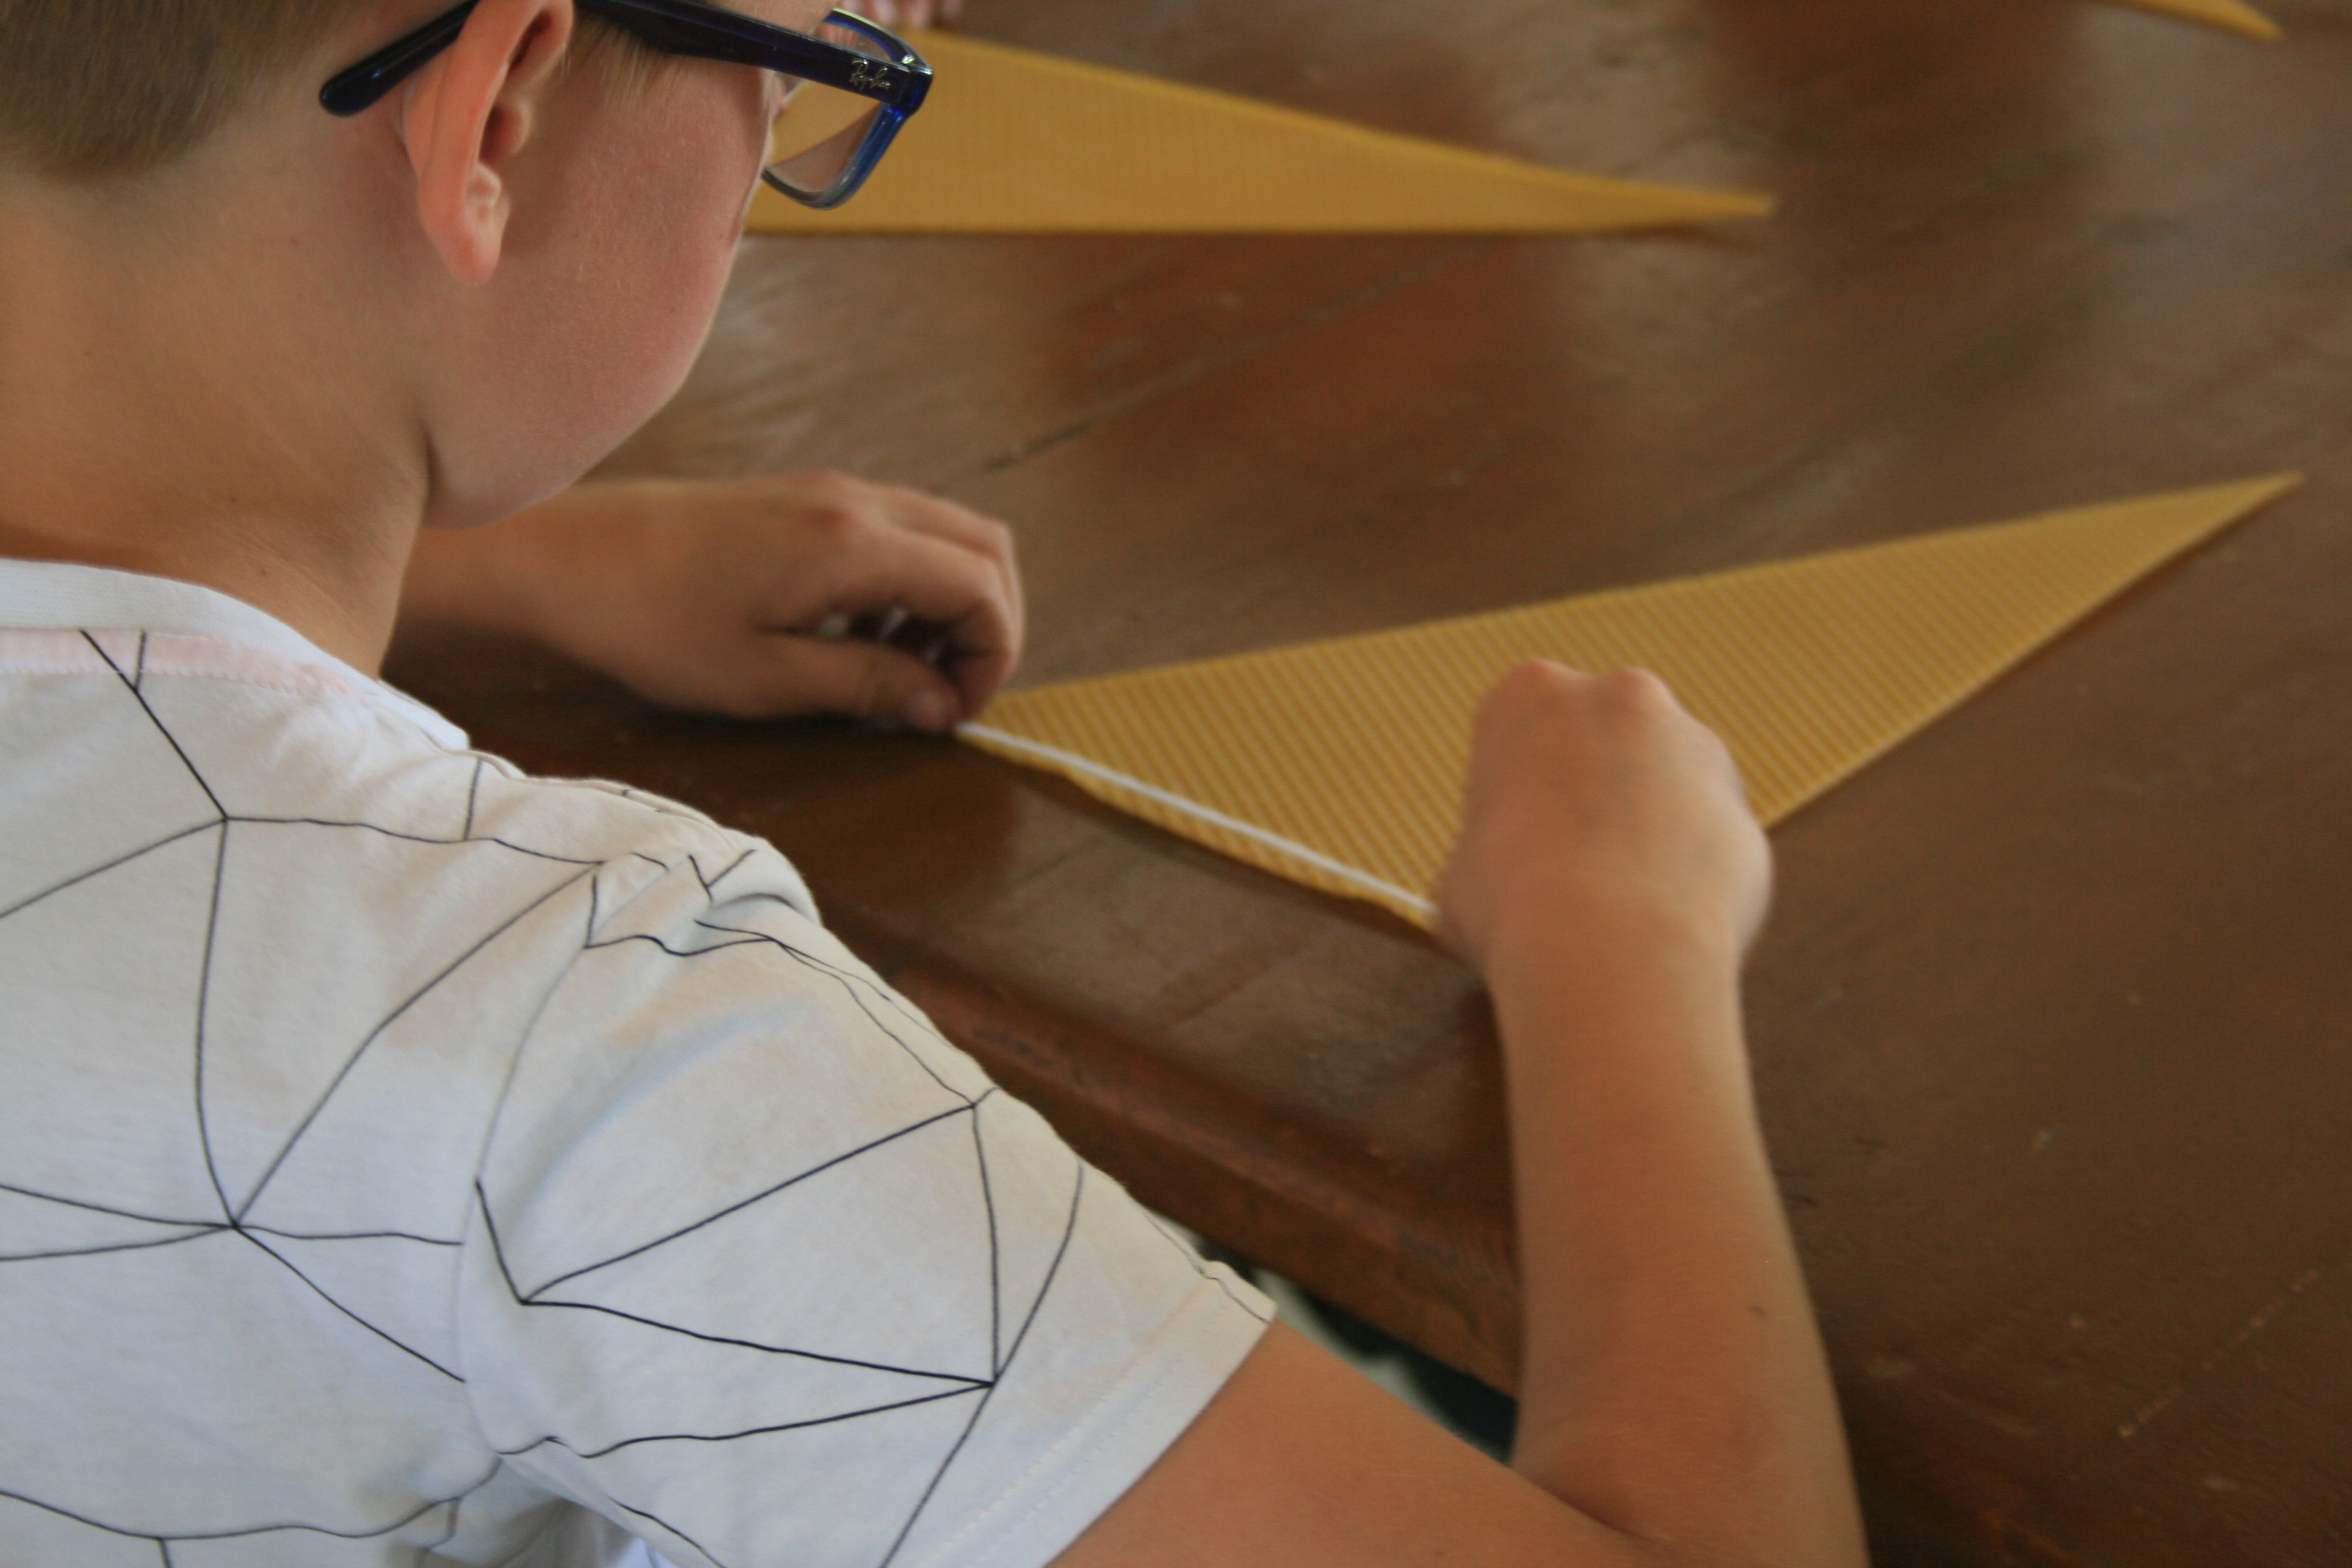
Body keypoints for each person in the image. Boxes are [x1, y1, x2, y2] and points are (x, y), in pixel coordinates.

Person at [0, 2, 1867, 1566]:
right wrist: (1622, 944)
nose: (780, 156)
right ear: (496, 113)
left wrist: (510, 565)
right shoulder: (557, 1039)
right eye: (803, 82)